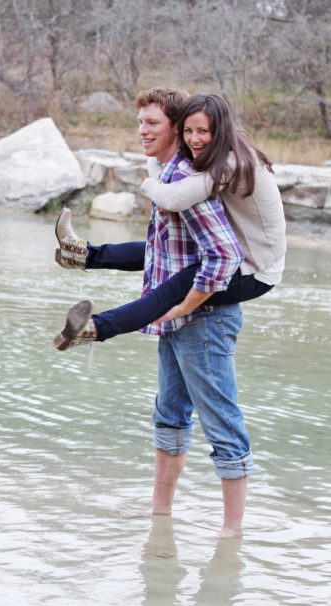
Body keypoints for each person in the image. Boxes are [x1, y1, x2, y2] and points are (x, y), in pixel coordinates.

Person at [55, 87, 256, 536]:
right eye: (140, 122)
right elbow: (157, 252)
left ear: (175, 131)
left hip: (205, 320)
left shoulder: (187, 181)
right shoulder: (168, 178)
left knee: (222, 423)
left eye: (153, 124)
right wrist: (91, 256)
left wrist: (187, 302)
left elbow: (224, 255)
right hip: (177, 321)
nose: (142, 131)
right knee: (168, 416)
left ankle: (232, 536)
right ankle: (160, 515)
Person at [53, 92, 285, 349]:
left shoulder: (228, 164)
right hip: (242, 255)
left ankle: (93, 328)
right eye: (190, 130)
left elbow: (174, 198)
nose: (195, 138)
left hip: (255, 268)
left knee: (175, 289)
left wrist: (185, 306)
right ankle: (79, 255)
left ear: (219, 130)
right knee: (160, 249)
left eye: (203, 131)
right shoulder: (213, 154)